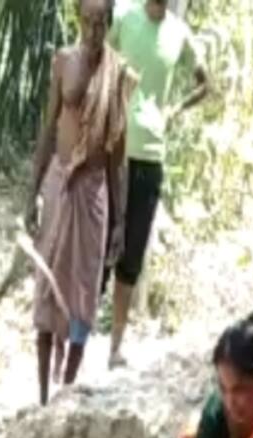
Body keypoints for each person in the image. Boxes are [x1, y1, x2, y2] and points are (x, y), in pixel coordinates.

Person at [30, 0, 135, 404]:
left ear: (109, 24)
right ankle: (41, 392)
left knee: (84, 290)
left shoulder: (118, 73)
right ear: (78, 21)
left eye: (100, 24)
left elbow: (117, 156)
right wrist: (32, 192)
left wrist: (119, 221)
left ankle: (66, 388)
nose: (93, 32)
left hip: (93, 190)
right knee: (48, 281)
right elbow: (49, 129)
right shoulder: (63, 62)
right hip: (60, 185)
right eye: (87, 23)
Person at [107, 0, 209, 370]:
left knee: (132, 252)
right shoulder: (123, 18)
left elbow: (204, 81)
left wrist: (174, 110)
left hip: (151, 153)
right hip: (114, 148)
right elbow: (95, 58)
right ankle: (80, 338)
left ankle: (115, 345)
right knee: (101, 243)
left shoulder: (178, 33)